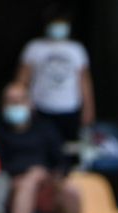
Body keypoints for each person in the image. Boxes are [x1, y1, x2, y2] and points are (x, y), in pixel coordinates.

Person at [0, 83, 79, 213]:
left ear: (30, 103)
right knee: (27, 184)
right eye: (11, 101)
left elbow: (62, 160)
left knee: (71, 192)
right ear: (3, 105)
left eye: (20, 101)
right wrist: (30, 173)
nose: (15, 105)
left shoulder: (45, 128)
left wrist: (55, 175)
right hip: (14, 182)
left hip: (46, 180)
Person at [17, 8, 94, 144]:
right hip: (41, 106)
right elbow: (22, 79)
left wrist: (88, 108)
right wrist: (20, 103)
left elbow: (84, 81)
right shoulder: (34, 47)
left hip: (70, 107)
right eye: (55, 23)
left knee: (70, 146)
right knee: (43, 144)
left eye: (62, 24)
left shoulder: (76, 49)